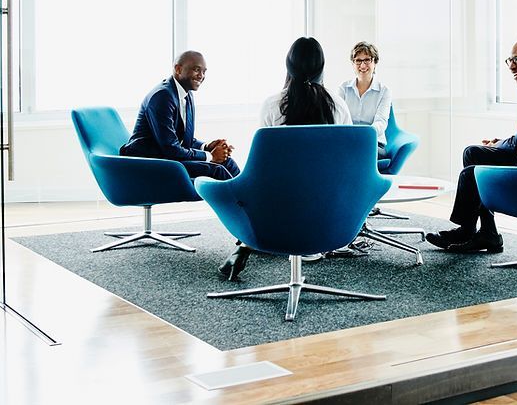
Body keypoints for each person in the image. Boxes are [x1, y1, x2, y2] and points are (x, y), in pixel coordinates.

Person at [222, 37, 352, 281]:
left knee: (250, 185)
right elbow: (347, 162)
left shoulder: (272, 105)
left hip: (280, 205)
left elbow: (263, 164)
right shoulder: (338, 106)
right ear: (322, 68)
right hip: (329, 208)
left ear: (288, 67)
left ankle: (247, 242)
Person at [424, 38, 517, 254]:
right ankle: (484, 232)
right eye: (510, 60)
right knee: (473, 153)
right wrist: (498, 144)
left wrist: (498, 144)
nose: (511, 65)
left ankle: (472, 231)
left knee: (471, 173)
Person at [119, 51, 239, 181]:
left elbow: (183, 140)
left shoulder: (187, 94)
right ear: (178, 69)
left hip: (168, 157)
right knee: (217, 170)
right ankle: (240, 195)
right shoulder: (162, 96)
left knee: (227, 162)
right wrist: (211, 156)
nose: (201, 76)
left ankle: (249, 194)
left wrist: (207, 146)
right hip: (150, 161)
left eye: (204, 71)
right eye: (196, 70)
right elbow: (171, 148)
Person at [258, 36, 352, 127]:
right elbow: (350, 138)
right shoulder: (339, 106)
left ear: (289, 67)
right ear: (321, 70)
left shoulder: (270, 106)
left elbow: (263, 138)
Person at [339, 41, 394, 158]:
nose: (363, 66)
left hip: (374, 142)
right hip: (347, 141)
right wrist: (351, 137)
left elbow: (381, 122)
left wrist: (364, 135)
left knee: (357, 152)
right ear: (353, 63)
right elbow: (338, 118)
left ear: (375, 62)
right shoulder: (343, 88)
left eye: (367, 60)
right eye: (358, 61)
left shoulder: (384, 91)